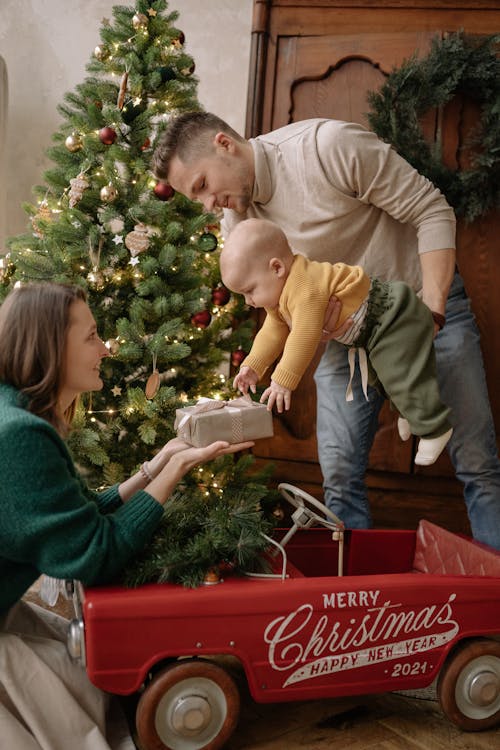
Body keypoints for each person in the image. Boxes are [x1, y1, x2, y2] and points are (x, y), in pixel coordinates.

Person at [151, 111, 500, 551]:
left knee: (477, 463)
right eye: (194, 197)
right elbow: (280, 315)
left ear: (224, 144)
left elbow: (431, 210)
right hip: (349, 340)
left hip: (420, 310)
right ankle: (352, 600)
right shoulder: (237, 220)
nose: (206, 204)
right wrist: (264, 362)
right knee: (338, 473)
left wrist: (430, 313)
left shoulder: (327, 147)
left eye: (201, 185)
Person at [0, 282, 253, 750]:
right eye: (92, 335)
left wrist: (150, 469)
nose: (106, 347)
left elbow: (71, 514)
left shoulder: (14, 412)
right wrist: (175, 469)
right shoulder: (19, 437)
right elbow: (95, 553)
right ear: (52, 346)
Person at [221, 217, 452, 466]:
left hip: (390, 316)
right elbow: (273, 332)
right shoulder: (280, 296)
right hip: (370, 331)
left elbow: (304, 333)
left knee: (401, 372)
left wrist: (282, 381)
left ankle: (434, 428)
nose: (248, 301)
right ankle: (411, 412)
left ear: (276, 268)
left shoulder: (305, 286)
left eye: (250, 290)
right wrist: (253, 366)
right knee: (383, 376)